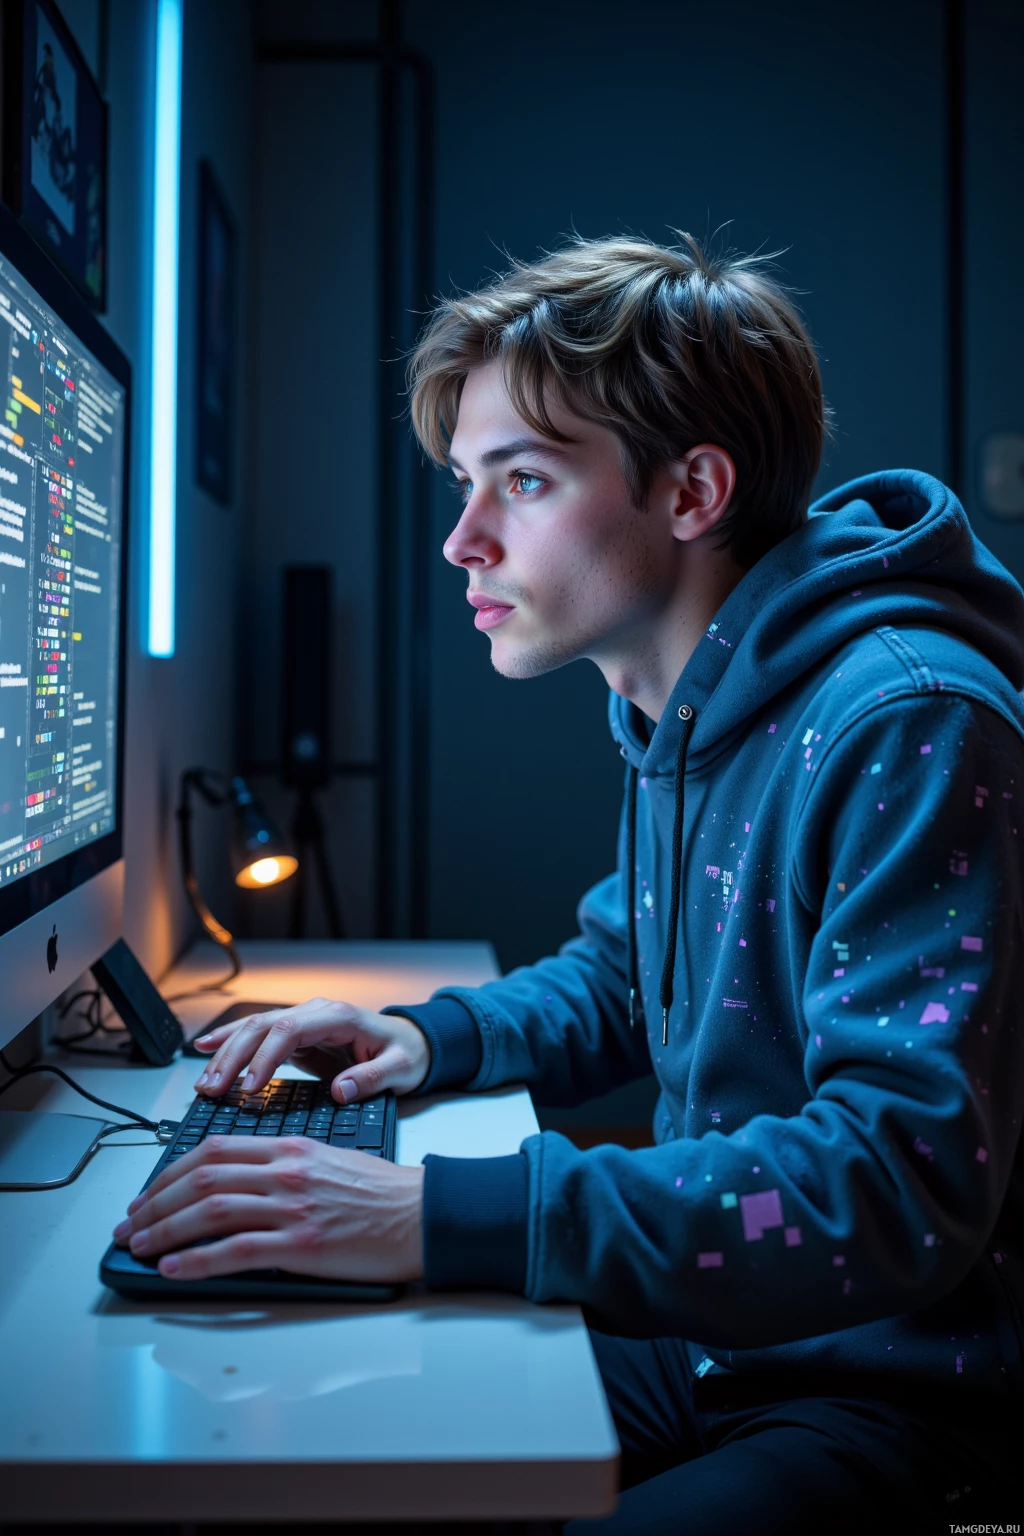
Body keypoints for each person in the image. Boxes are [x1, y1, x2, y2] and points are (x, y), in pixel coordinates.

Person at [114, 234, 1024, 1531]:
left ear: (692, 491)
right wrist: (425, 1038)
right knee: (304, 1426)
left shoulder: (904, 720)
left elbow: (898, 1177)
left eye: (524, 481)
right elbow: (628, 972)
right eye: (464, 484)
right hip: (729, 1334)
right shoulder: (687, 701)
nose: (462, 542)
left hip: (903, 1383)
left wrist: (439, 1211)